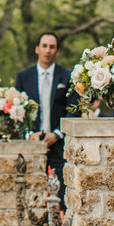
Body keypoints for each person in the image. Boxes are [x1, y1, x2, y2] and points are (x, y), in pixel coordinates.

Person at [16, 31, 73, 189]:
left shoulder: (68, 77)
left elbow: (73, 111)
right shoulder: (23, 77)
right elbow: (16, 113)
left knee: (63, 193)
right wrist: (29, 134)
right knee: (32, 193)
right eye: (44, 46)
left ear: (58, 51)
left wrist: (56, 134)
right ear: (37, 49)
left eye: (52, 47)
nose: (48, 50)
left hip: (59, 144)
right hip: (31, 142)